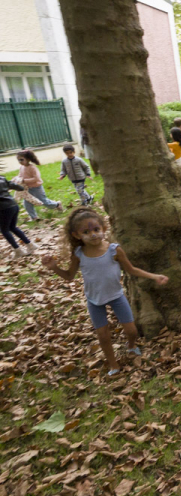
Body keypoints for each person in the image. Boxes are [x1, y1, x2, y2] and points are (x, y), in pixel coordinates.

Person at [41, 207, 169, 375]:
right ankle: (113, 364)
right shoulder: (78, 254)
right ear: (76, 235)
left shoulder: (114, 250)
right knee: (103, 335)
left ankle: (131, 345)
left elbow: (132, 270)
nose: (93, 234)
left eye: (96, 229)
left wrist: (154, 276)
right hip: (94, 300)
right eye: (86, 231)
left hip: (116, 296)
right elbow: (69, 276)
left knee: (132, 331)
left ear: (104, 228)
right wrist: (54, 267)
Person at [16, 150, 60, 221]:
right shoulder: (21, 167)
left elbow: (36, 178)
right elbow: (20, 175)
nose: (20, 161)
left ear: (28, 159)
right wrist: (17, 179)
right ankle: (34, 217)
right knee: (27, 204)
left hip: (36, 188)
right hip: (27, 189)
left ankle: (57, 204)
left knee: (44, 201)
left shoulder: (32, 168)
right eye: (18, 160)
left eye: (21, 159)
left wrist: (24, 180)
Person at [0, 176, 35, 259]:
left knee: (4, 230)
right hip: (13, 205)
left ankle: (18, 250)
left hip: (3, 208)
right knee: (12, 227)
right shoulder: (2, 178)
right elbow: (18, 187)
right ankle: (30, 245)